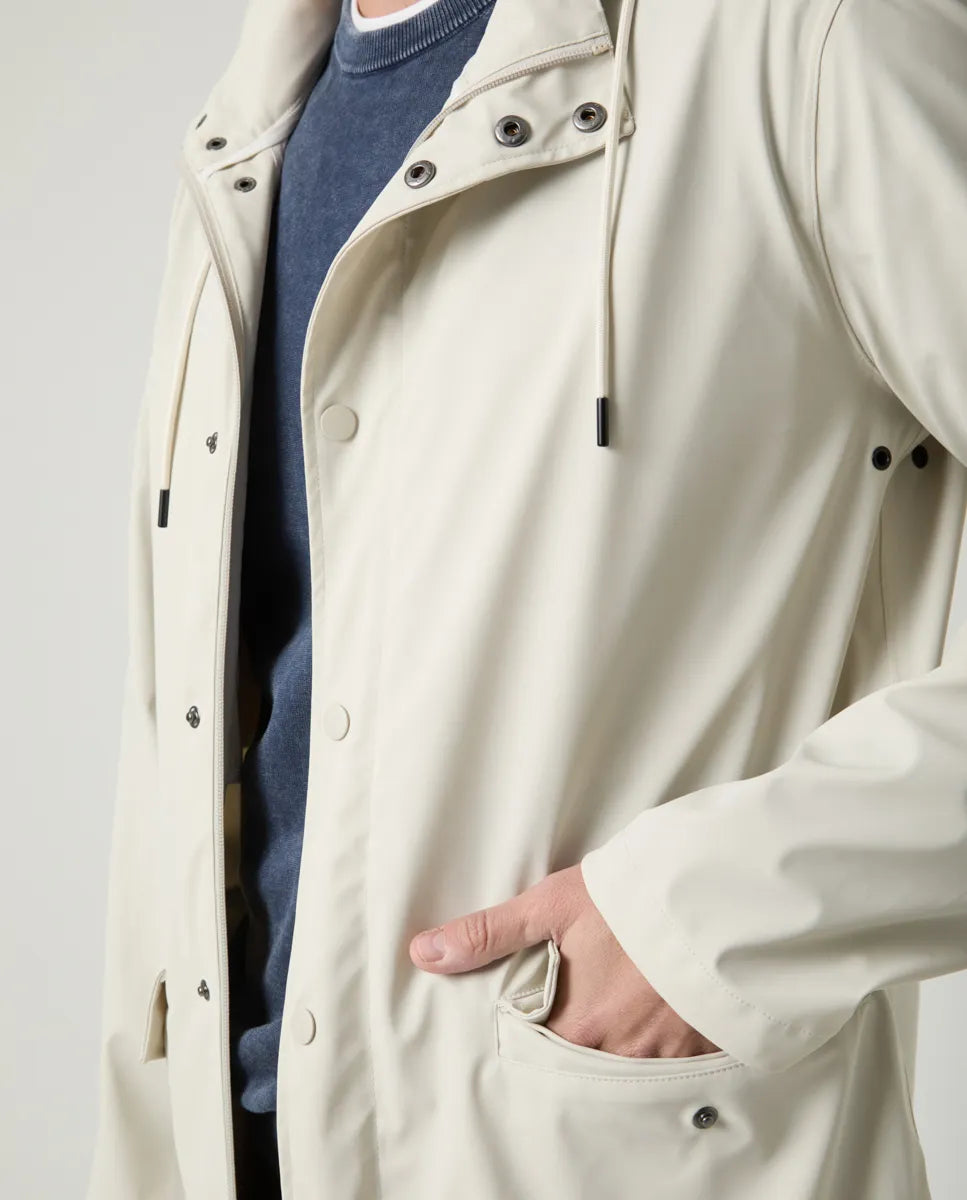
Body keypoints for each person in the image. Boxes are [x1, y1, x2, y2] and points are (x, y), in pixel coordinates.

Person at [86, 0, 967, 1195]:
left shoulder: (806, 39)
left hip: (608, 1155)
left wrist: (711, 918)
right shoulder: (247, 124)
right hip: (240, 1147)